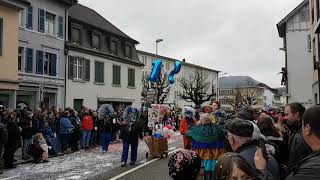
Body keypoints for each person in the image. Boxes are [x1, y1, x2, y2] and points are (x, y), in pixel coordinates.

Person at [284, 105, 320, 179]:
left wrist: (262, 171)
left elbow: (293, 166)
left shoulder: (299, 138)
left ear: (307, 128)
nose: (285, 117)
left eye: (287, 114)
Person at [186, 113, 225, 179]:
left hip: (201, 158)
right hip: (214, 157)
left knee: (201, 172)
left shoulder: (197, 129)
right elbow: (223, 134)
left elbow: (188, 134)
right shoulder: (217, 129)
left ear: (201, 120)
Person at [284, 103, 312, 172]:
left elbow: (294, 164)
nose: (285, 117)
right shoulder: (294, 130)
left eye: (287, 114)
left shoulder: (300, 136)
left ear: (296, 114)